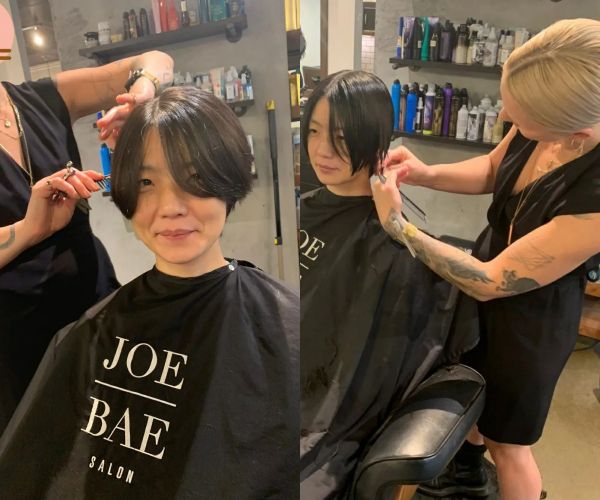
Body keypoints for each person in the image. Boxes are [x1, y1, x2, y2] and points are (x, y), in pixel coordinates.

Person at [0, 86, 299, 499]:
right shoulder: (86, 336)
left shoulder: (288, 325)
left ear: (229, 178)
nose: (170, 207)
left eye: (194, 179)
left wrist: (143, 84)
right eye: (145, 181)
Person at [371, 18, 600, 500]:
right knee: (472, 393)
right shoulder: (540, 117)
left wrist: (398, 226)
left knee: (508, 441)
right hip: (485, 276)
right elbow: (495, 168)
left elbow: (494, 280)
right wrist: (426, 172)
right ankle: (466, 475)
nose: (509, 119)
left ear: (575, 133)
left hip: (532, 317)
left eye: (520, 119)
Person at [299, 70, 478, 498]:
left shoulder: (397, 250)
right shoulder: (295, 212)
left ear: (376, 140)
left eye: (342, 137)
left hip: (318, 420)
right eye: (314, 131)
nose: (321, 150)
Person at [0, 47, 174, 432]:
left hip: (94, 303)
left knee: (123, 433)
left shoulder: (44, 98)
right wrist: (28, 229)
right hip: (16, 342)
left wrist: (142, 91)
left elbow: (157, 60)